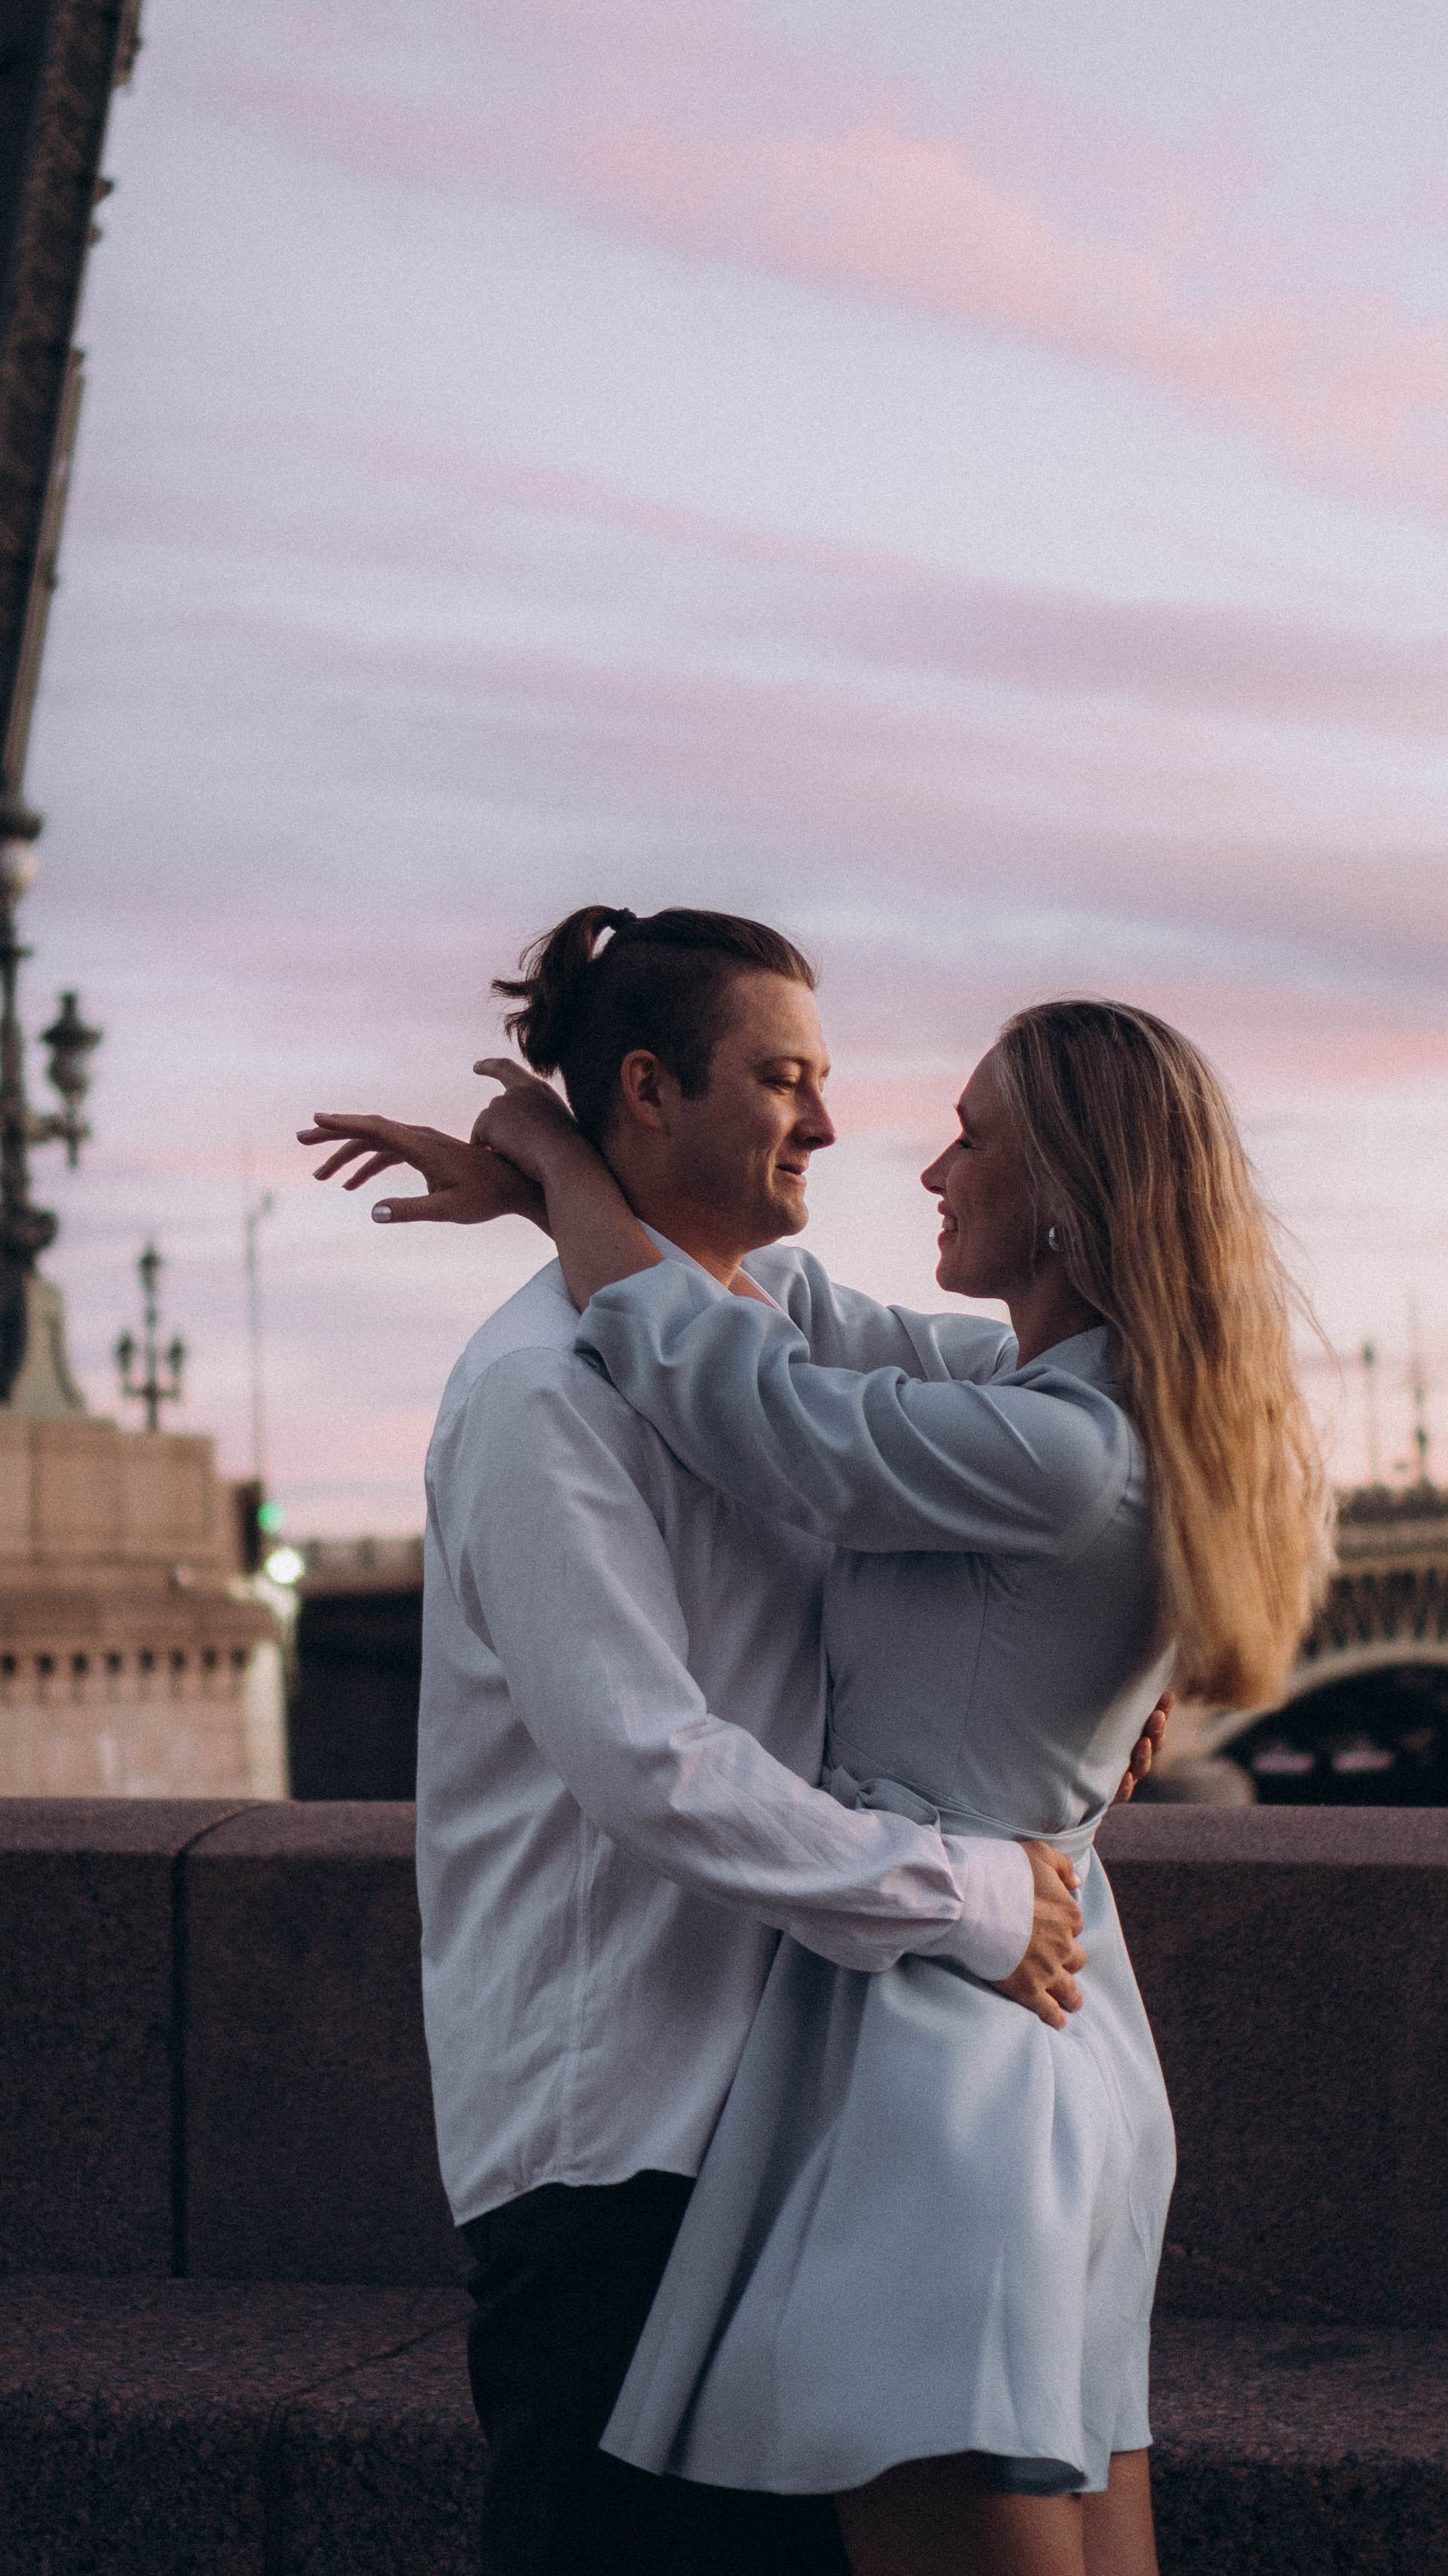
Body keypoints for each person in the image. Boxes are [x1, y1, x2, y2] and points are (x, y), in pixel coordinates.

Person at [304, 908, 1165, 2576]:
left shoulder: (772, 1320)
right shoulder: (542, 1394)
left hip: (790, 2113)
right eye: (782, 1080)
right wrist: (974, 1897)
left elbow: (1091, 1428)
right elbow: (651, 1766)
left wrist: (1134, 1643)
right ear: (648, 1088)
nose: (832, 1125)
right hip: (621, 2142)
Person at [458, 983, 1328, 2576]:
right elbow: (804, 1318)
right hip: (1062, 2043)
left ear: (1066, 1191)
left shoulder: (1054, 1448)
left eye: (969, 1139)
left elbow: (752, 1396)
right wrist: (564, 1188)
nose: (927, 1168)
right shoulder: (1085, 1401)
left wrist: (560, 1162)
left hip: (943, 2067)